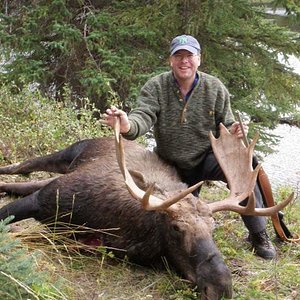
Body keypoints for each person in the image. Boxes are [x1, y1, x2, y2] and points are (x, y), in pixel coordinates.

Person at [101, 34, 276, 259]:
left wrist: (236, 131)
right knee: (166, 214)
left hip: (205, 159)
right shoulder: (156, 86)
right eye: (179, 56)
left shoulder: (214, 87)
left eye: (189, 56)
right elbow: (141, 118)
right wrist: (126, 125)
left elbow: (228, 123)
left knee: (241, 171)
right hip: (169, 165)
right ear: (170, 60)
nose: (184, 61)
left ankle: (258, 234)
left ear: (199, 59)